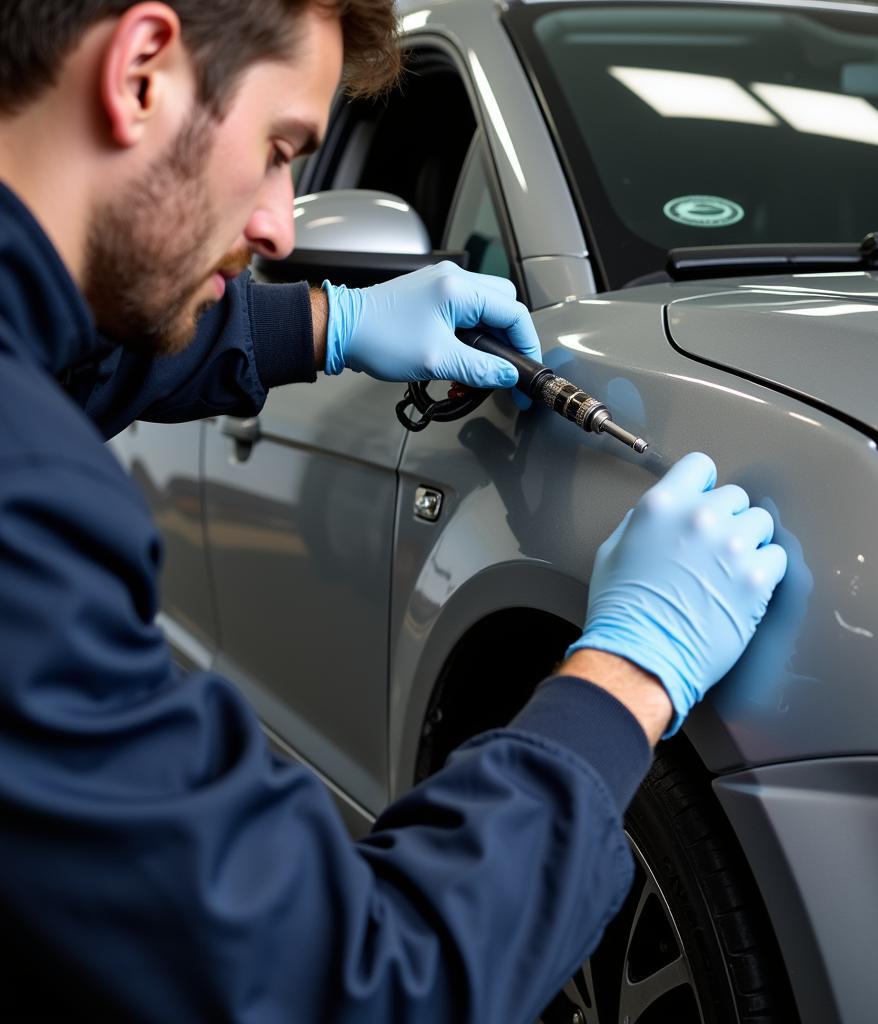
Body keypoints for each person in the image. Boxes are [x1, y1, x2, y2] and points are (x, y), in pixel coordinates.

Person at [0, 1, 788, 1020]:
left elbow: (64, 349)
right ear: (142, 70)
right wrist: (629, 673)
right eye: (281, 149)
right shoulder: (34, 509)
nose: (283, 226)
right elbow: (347, 988)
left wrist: (328, 322)